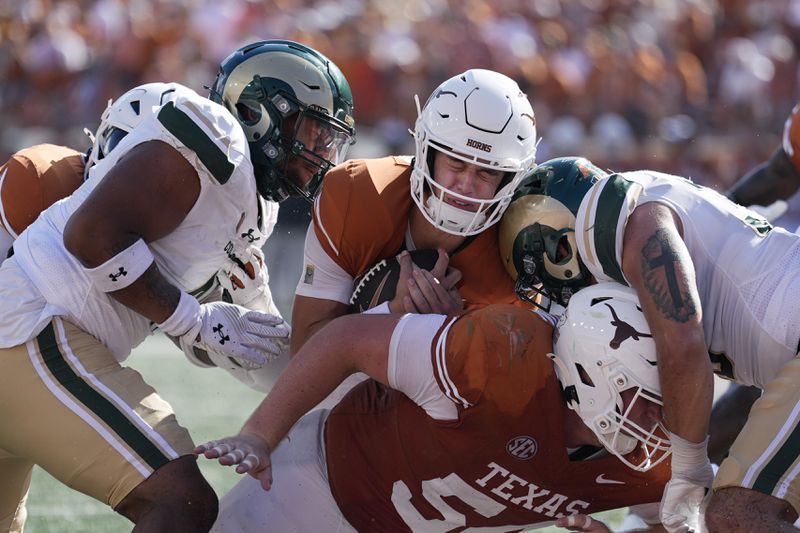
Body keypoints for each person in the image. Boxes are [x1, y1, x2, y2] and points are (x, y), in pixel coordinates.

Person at [0, 39, 354, 532]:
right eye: (315, 133)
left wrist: (330, 377)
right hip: (33, 333)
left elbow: (217, 342)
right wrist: (193, 319)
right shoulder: (216, 139)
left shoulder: (252, 206)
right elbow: (93, 237)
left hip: (30, 345)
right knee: (180, 500)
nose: (323, 154)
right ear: (261, 113)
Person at [499, 156, 800, 531]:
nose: (557, 296)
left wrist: (689, 467)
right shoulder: (645, 208)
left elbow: (683, 340)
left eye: (548, 276)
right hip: (788, 357)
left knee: (737, 513)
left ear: (560, 244)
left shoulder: (630, 223)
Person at [196, 302, 671, 532]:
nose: (657, 417)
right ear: (590, 375)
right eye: (645, 398)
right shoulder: (502, 357)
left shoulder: (657, 458)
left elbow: (678, 520)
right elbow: (345, 340)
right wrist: (259, 433)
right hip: (317, 491)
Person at [290, 68, 539, 354]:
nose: (466, 185)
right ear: (427, 152)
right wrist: (393, 315)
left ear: (510, 180)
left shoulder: (520, 260)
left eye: (487, 173)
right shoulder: (357, 193)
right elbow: (304, 351)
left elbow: (505, 391)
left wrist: (455, 334)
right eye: (456, 163)